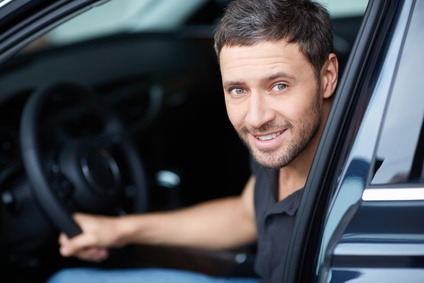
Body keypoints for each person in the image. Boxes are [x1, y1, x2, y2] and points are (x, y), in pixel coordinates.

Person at [47, 0, 338, 282]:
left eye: (278, 86)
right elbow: (246, 214)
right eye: (238, 90)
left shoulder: (351, 189)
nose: (255, 118)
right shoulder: (287, 140)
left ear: (327, 77)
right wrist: (120, 230)